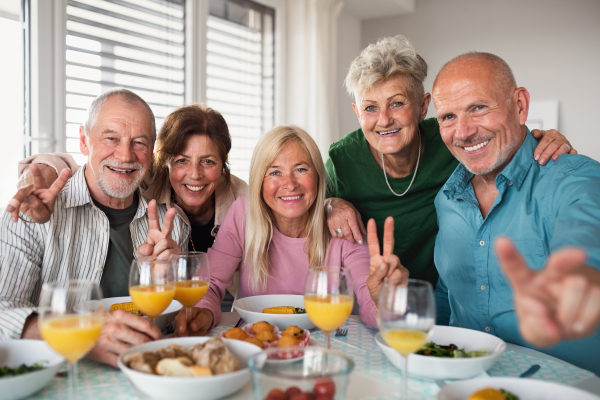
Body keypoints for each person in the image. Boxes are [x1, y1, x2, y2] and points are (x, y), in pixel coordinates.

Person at [325, 35, 575, 288]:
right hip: (373, 298)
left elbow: (505, 144)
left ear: (423, 107)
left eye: (397, 103)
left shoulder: (454, 140)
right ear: (357, 112)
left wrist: (546, 140)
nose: (385, 120)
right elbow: (303, 208)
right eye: (370, 108)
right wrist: (329, 205)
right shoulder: (342, 160)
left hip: (446, 297)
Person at [431, 52, 600, 374]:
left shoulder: (578, 180)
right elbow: (450, 293)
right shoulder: (447, 200)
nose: (463, 132)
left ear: (520, 105)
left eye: (478, 108)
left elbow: (587, 253)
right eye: (448, 117)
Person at [0, 88, 186, 367]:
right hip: (60, 376)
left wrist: (163, 288)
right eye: (111, 138)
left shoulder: (172, 226)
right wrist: (81, 333)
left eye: (139, 142)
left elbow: (171, 327)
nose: (125, 155)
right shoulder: (31, 212)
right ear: (84, 142)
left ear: (151, 151)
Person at [173, 125, 406, 336]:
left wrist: (384, 301)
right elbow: (212, 284)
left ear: (318, 176)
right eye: (275, 172)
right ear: (259, 182)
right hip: (257, 340)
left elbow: (369, 299)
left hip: (325, 343)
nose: (290, 183)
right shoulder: (243, 215)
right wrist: (202, 313)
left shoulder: (342, 225)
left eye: (301, 169)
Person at [10, 104, 248, 309]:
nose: (195, 174)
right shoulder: (147, 175)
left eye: (208, 161)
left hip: (225, 300)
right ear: (164, 162)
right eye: (182, 160)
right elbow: (99, 168)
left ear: (224, 163)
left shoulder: (243, 202)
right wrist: (38, 174)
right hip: (184, 297)